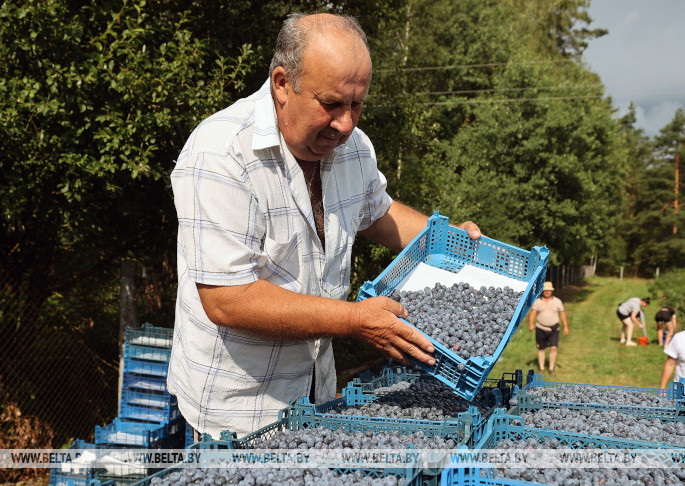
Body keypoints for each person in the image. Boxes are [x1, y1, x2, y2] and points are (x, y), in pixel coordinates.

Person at [167, 12, 482, 438]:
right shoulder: (221, 154)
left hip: (316, 393)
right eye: (331, 104)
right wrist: (355, 320)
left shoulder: (354, 149)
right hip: (238, 414)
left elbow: (379, 212)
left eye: (357, 104)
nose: (346, 124)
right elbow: (228, 298)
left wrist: (450, 242)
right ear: (283, 84)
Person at [527, 281, 568, 375]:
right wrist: (531, 324)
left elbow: (562, 314)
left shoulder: (557, 301)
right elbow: (533, 313)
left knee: (554, 348)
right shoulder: (538, 301)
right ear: (542, 291)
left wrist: (566, 327)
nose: (547, 292)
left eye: (549, 290)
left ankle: (551, 368)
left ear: (552, 291)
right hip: (540, 328)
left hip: (554, 329)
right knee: (541, 348)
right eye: (545, 290)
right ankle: (541, 368)